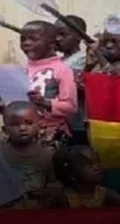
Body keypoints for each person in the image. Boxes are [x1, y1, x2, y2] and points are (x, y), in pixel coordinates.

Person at [20, 20, 78, 149]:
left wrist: (45, 103)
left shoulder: (62, 70)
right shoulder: (23, 70)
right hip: (25, 136)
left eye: (33, 39)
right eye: (22, 39)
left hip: (52, 136)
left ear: (51, 43)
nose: (26, 43)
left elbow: (71, 107)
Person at [0, 101, 58, 208]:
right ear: (5, 130)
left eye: (29, 123)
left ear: (39, 125)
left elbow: (54, 186)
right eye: (15, 124)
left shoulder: (48, 155)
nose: (22, 128)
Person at [40, 145, 120, 208]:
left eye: (97, 162)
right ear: (71, 174)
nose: (97, 167)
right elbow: (36, 215)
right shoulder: (62, 197)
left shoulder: (104, 193)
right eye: (89, 165)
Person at [55, 16, 90, 146]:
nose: (57, 38)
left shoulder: (83, 59)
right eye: (55, 34)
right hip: (63, 124)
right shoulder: (59, 60)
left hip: (79, 125)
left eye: (63, 34)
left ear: (79, 36)